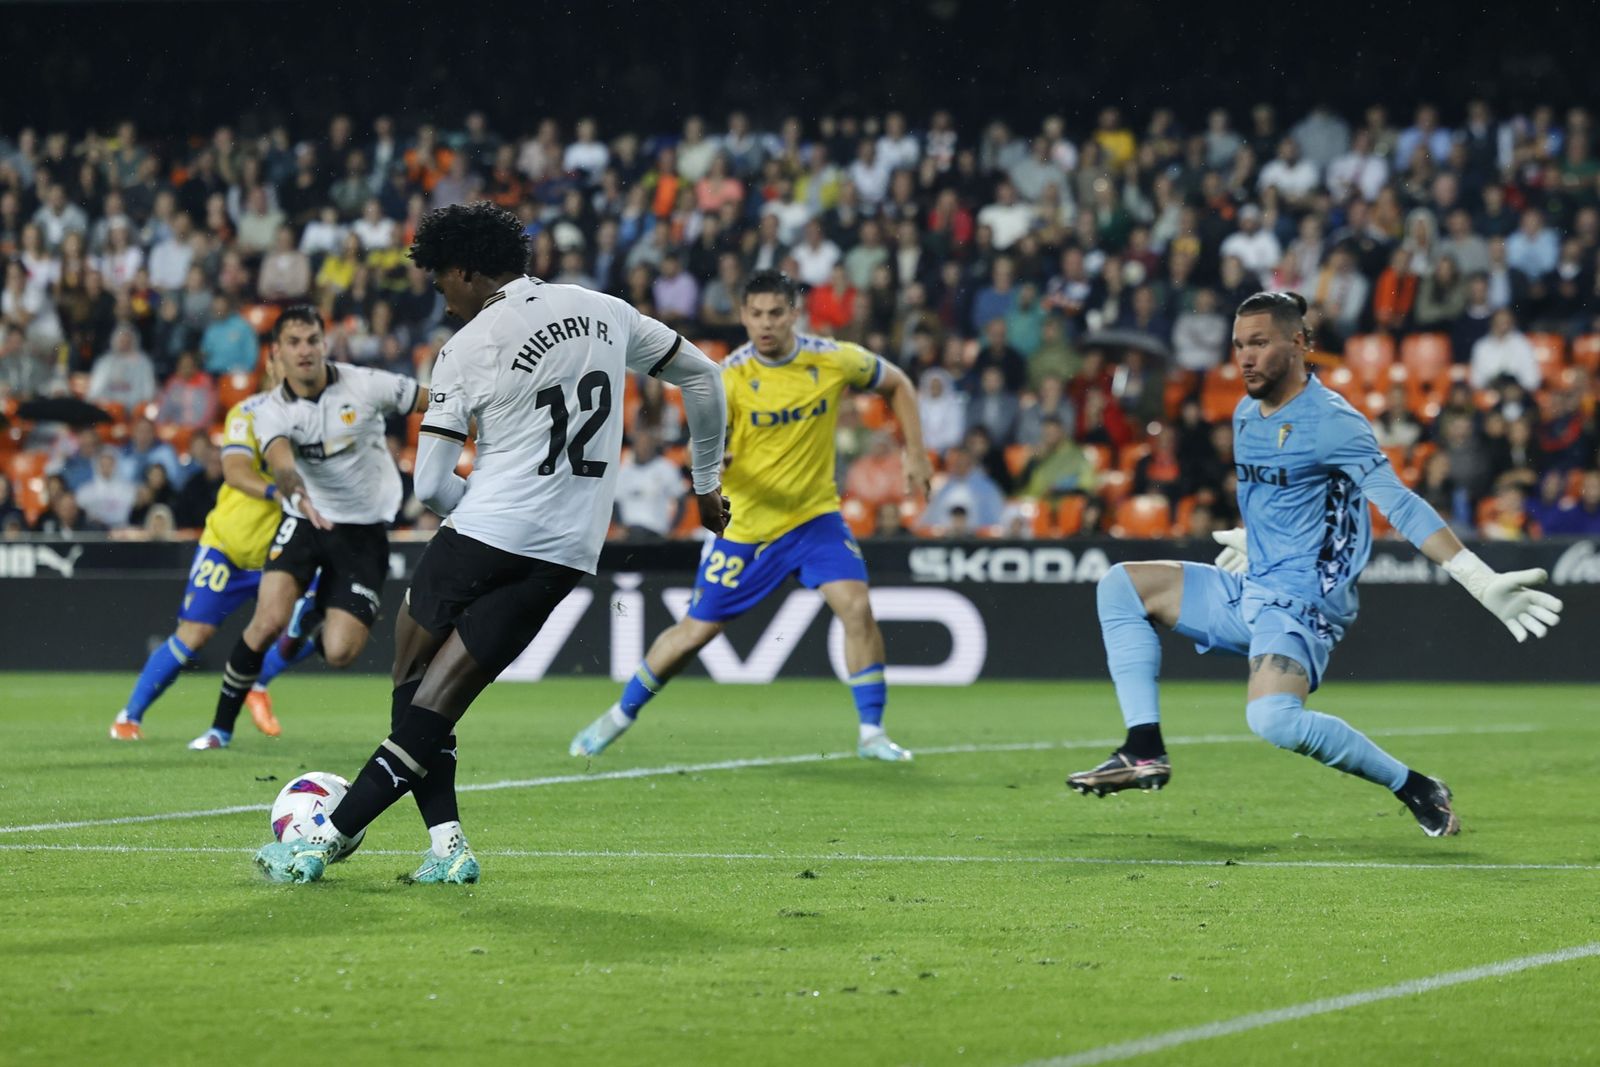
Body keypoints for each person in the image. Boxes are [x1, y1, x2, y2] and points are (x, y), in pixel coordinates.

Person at [253, 201, 727, 885]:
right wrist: (705, 482)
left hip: (485, 531)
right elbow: (704, 378)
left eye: (441, 279)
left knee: (413, 684)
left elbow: (433, 486)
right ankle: (447, 846)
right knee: (440, 700)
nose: (441, 297)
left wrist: (480, 507)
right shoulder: (608, 310)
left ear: (468, 270)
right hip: (568, 549)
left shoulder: (467, 347)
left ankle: (325, 835)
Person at [1066, 291, 1564, 837]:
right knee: (1120, 585)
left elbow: (1398, 503)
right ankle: (1143, 748)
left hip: (1303, 603)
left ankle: (1413, 785)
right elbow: (1275, 494)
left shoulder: (1332, 422)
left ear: (1300, 344)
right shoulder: (1244, 413)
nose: (1245, 358)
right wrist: (1258, 541)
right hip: (1251, 587)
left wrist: (1477, 577)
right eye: (1238, 345)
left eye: (1259, 343)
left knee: (1271, 721)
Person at [570, 269, 932, 764]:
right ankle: (619, 715)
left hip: (814, 519)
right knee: (693, 635)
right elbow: (711, 451)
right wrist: (721, 462)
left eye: (776, 313)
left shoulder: (833, 360)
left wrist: (916, 453)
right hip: (744, 527)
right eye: (756, 314)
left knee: (856, 607)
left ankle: (872, 732)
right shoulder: (729, 378)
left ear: (794, 314)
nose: (766, 324)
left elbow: (900, 384)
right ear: (742, 315)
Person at [190, 305, 428, 750]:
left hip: (364, 531)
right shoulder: (270, 409)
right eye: (294, 343)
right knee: (266, 621)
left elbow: (432, 400)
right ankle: (219, 729)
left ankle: (311, 618)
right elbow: (280, 460)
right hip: (305, 519)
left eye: (312, 340)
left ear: (325, 343)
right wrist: (296, 493)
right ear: (276, 353)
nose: (305, 351)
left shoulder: (366, 384)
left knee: (340, 653)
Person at [109, 363, 316, 741]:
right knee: (195, 634)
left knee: (323, 620)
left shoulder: (318, 418)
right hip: (228, 546)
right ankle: (129, 716)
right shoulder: (247, 413)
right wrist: (279, 492)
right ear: (271, 368)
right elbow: (235, 472)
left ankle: (258, 683)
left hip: (280, 552)